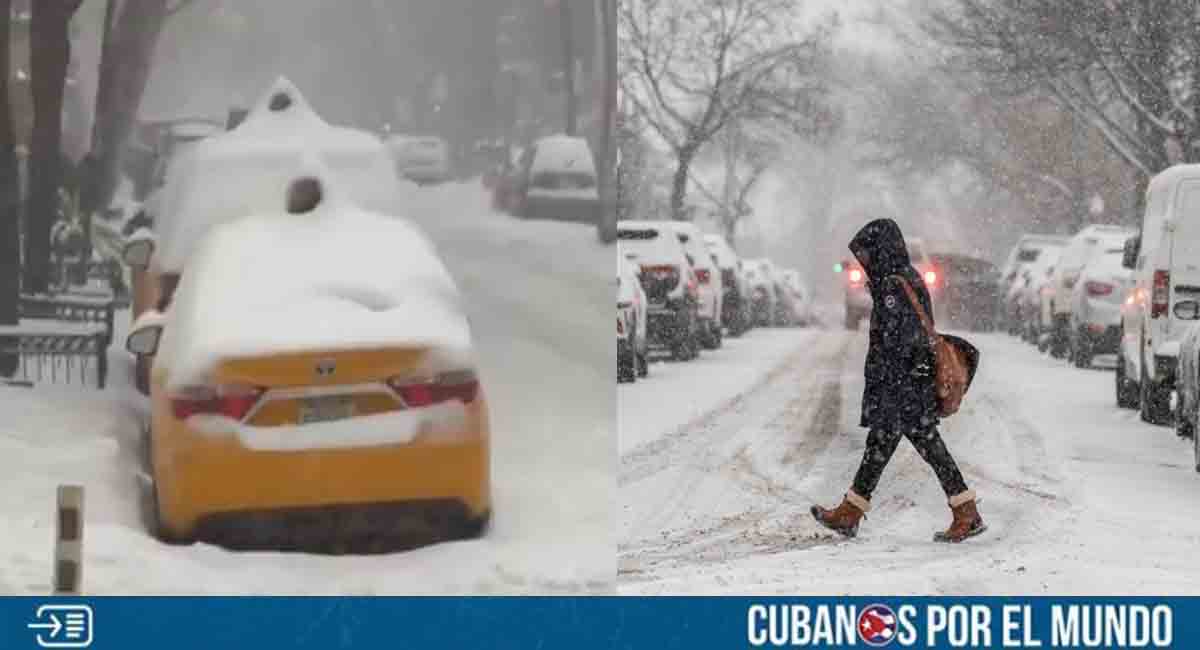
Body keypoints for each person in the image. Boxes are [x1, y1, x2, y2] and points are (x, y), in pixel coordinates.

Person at [811, 218, 985, 543]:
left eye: (867, 254)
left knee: (918, 444)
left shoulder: (893, 284)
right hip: (906, 383)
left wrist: (893, 379)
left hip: (903, 384)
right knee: (885, 444)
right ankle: (852, 511)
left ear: (882, 251)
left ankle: (966, 511)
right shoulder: (905, 276)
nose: (864, 262)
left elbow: (903, 339)